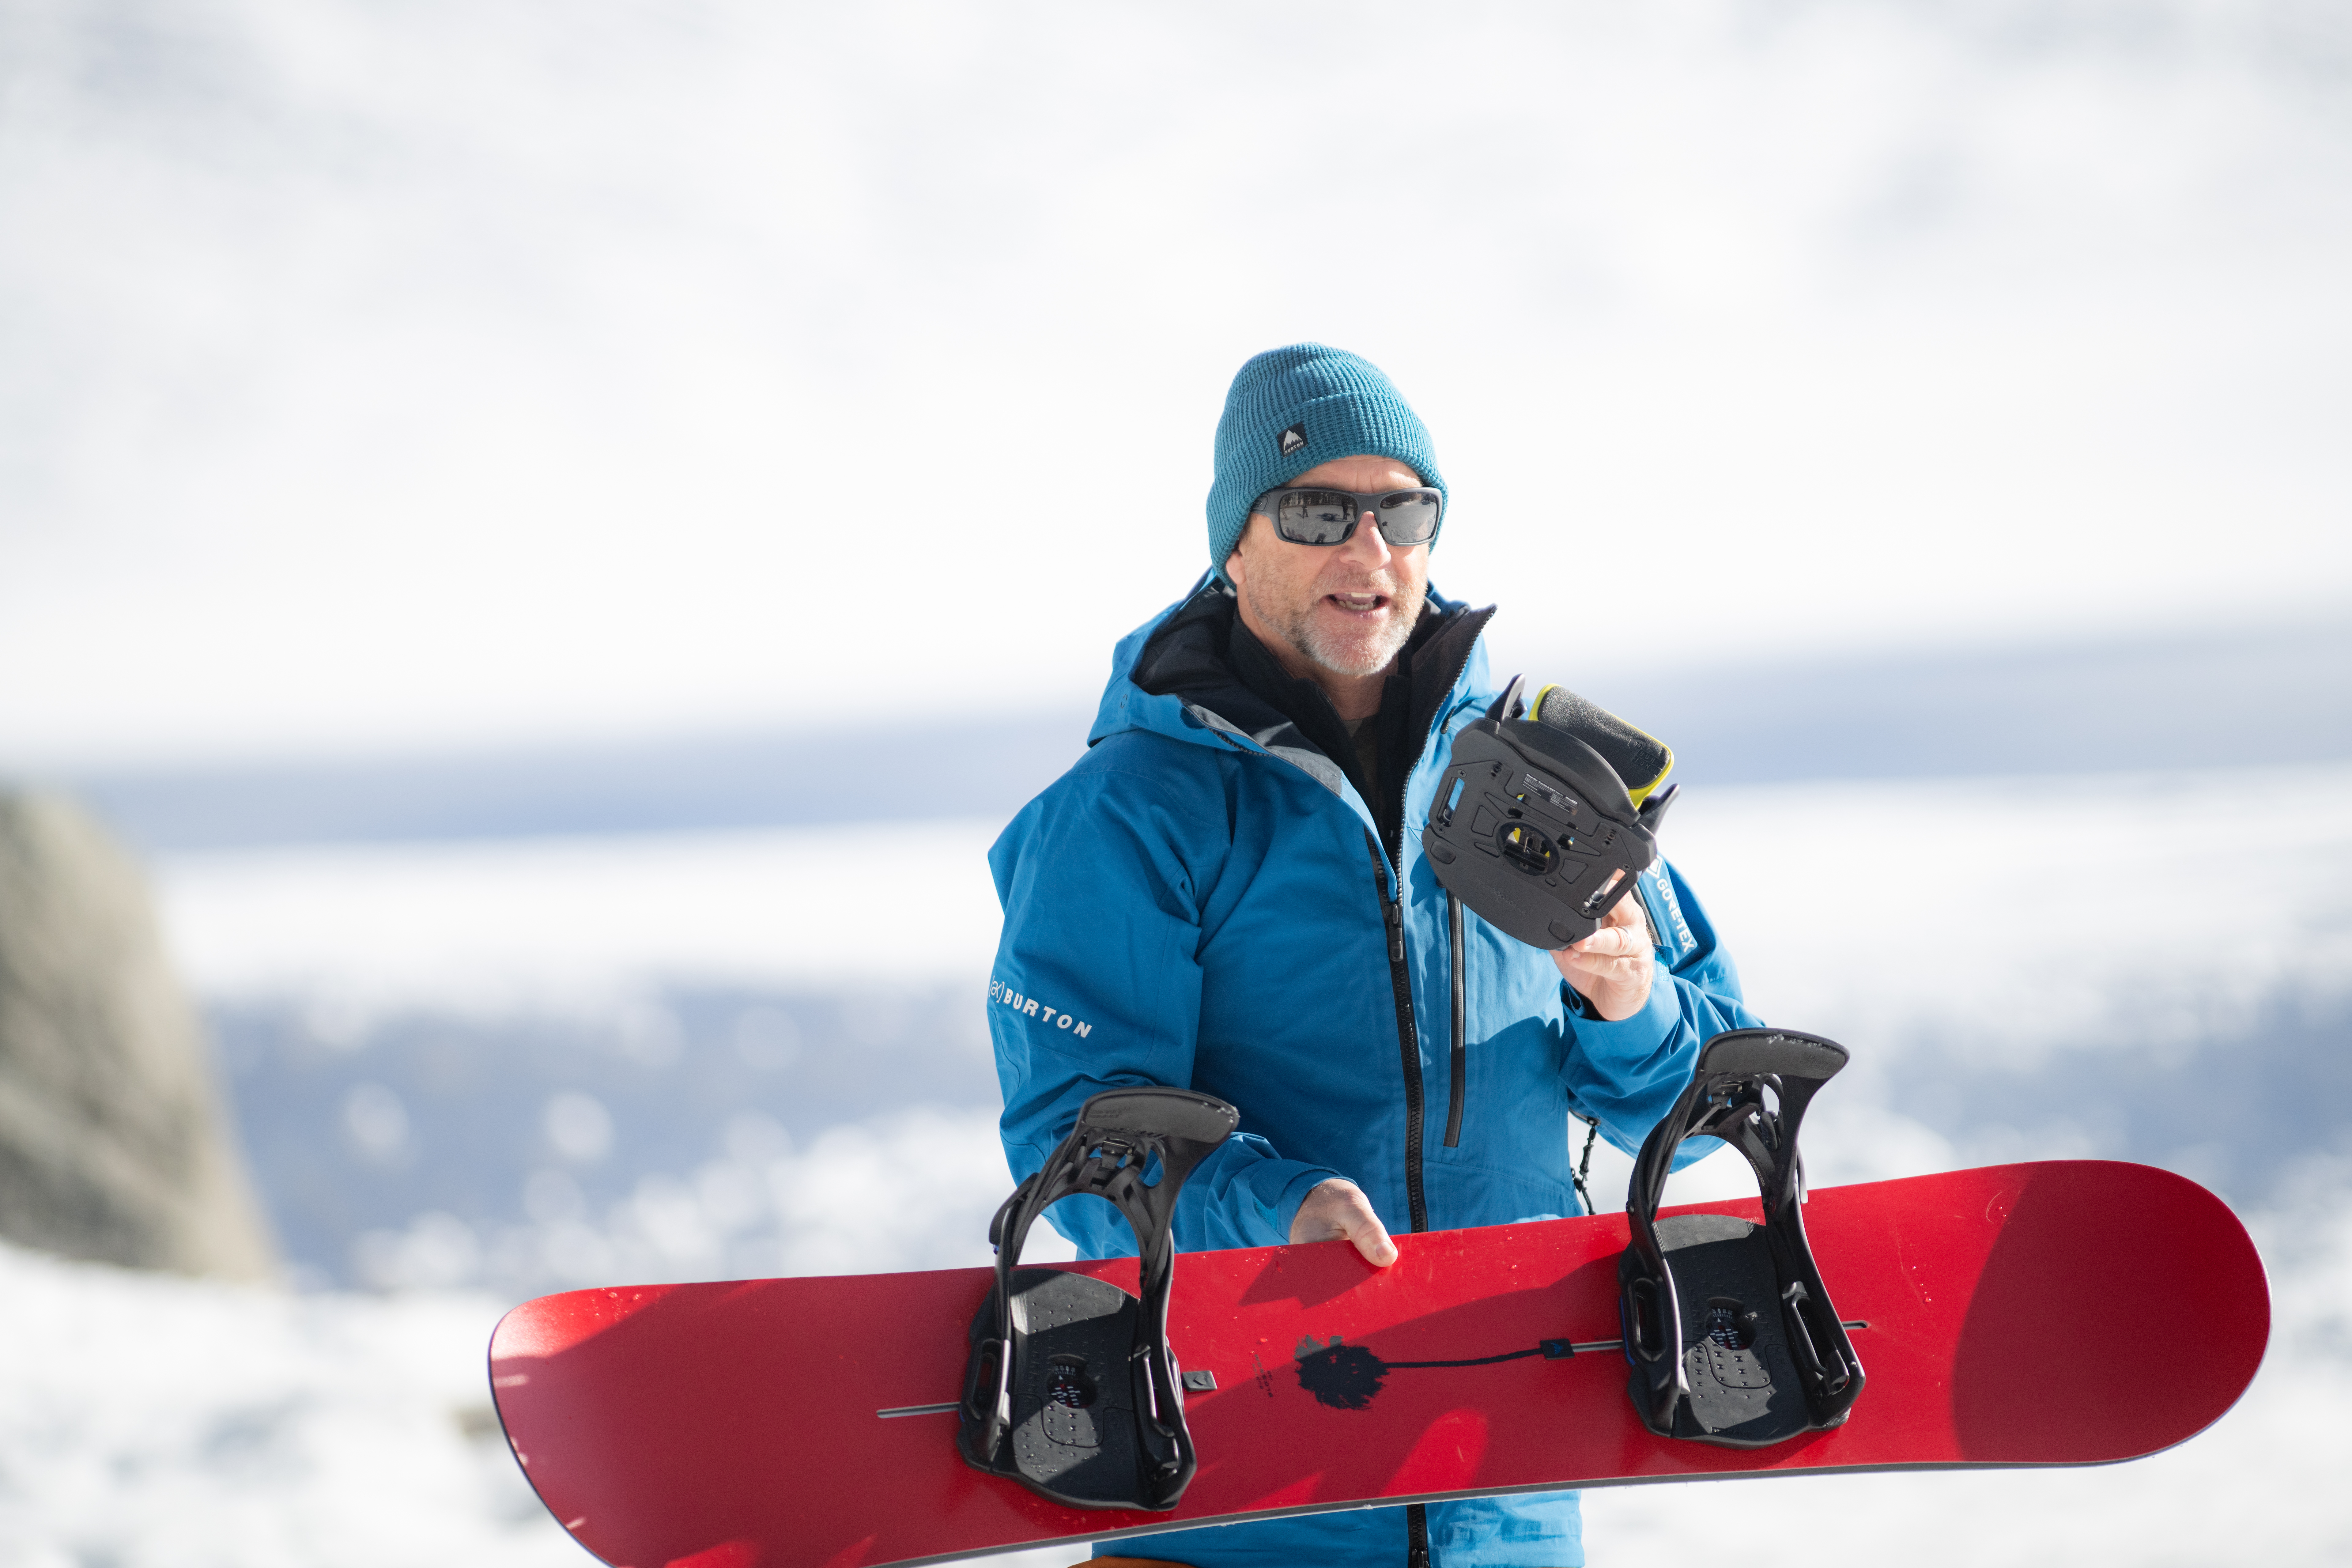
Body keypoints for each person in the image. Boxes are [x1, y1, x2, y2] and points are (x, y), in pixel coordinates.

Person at [984, 344, 1761, 1568]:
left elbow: (1712, 1105)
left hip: (1509, 1494)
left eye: (1404, 512)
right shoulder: (1131, 811)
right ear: (1236, 544)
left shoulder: (1536, 784)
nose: (1369, 549)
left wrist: (1633, 1005)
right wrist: (1273, 1203)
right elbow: (1073, 1141)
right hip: (1233, 1500)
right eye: (1316, 512)